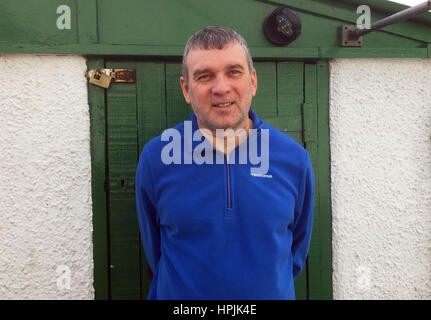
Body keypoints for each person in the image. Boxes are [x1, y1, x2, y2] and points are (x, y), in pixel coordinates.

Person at [135, 26, 315, 300]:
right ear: (186, 89)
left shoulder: (293, 158)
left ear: (253, 81)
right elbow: (155, 250)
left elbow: (295, 253)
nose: (221, 88)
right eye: (204, 76)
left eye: (234, 72)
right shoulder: (157, 157)